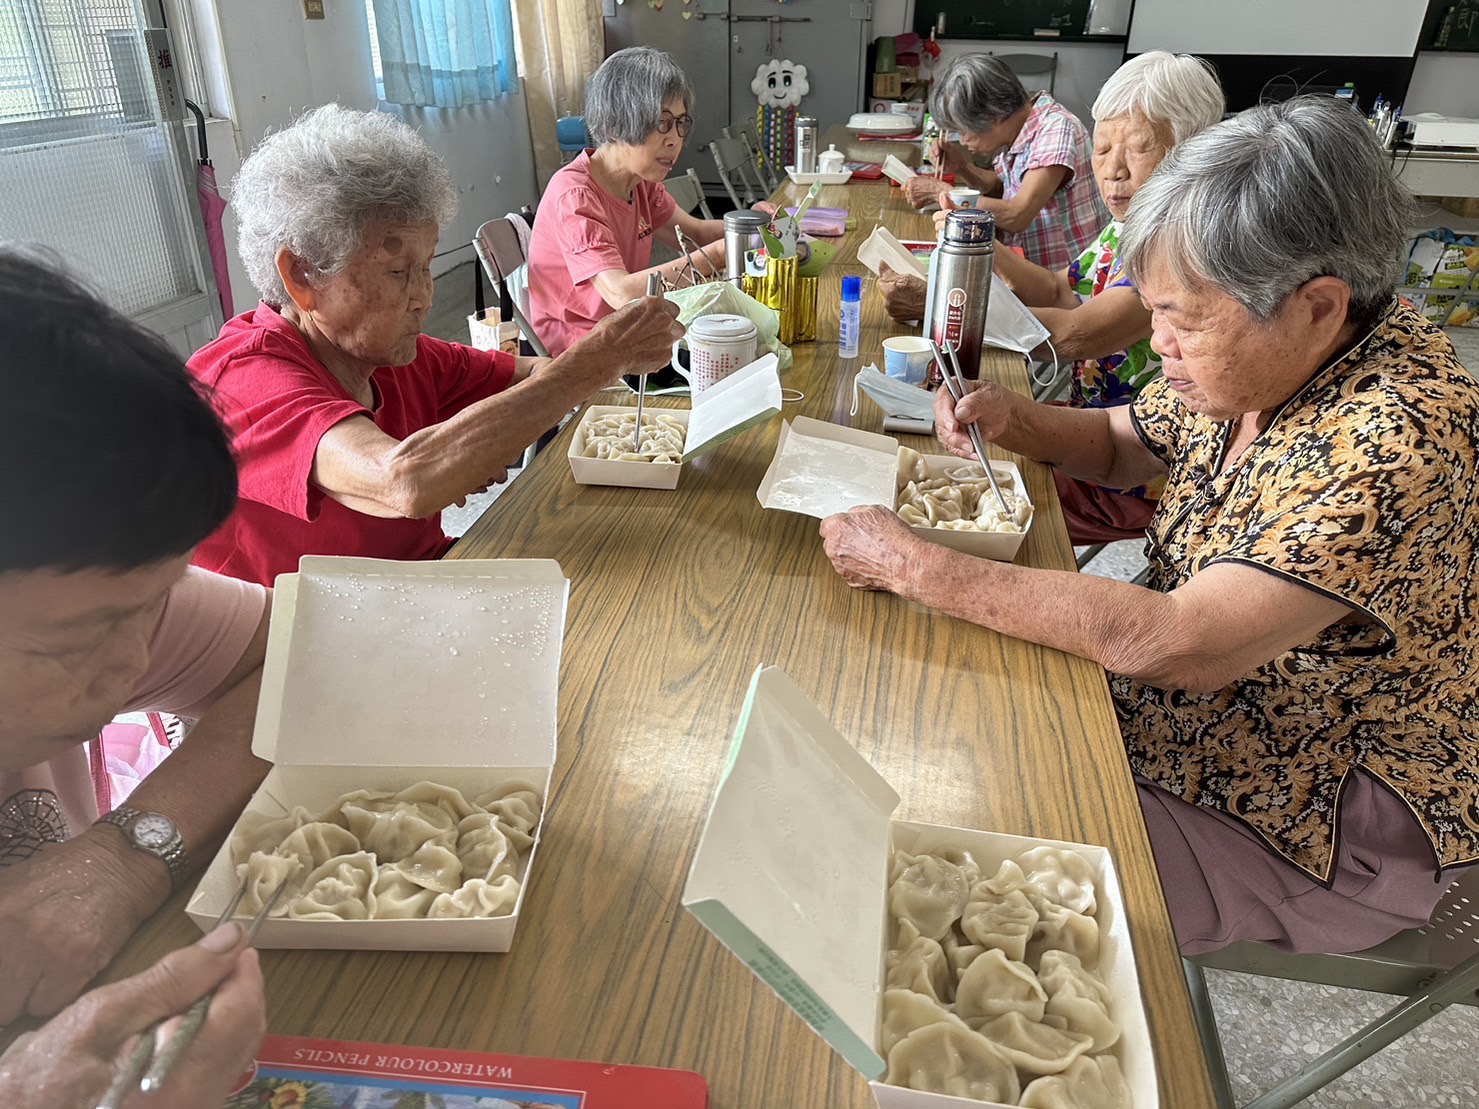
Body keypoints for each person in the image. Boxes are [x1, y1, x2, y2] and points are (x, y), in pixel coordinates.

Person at [820, 97, 1479, 956]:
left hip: (1317, 797)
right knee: (944, 727)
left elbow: (1180, 645)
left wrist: (918, 566)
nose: (1157, 341)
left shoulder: (1400, 435)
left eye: (1181, 319)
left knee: (963, 885)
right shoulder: (1264, 353)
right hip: (1194, 708)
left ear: (1318, 306)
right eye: (1155, 310)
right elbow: (1126, 441)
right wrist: (1013, 420)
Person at [189, 103, 683, 587]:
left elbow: (535, 374)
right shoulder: (242, 379)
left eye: (426, 268)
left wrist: (475, 447)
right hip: (300, 642)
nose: (424, 296)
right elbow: (402, 481)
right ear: (302, 276)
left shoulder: (392, 355)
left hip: (417, 591)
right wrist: (601, 359)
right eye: (399, 273)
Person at [0, 248, 268, 1104]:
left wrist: (123, 855)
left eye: (147, 609)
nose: (127, 670)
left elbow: (305, 654)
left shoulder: (72, 575)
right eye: (77, 639)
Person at [882, 52, 1225, 543]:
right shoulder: (1128, 227)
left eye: (1140, 148)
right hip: (1084, 431)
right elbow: (1061, 288)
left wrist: (946, 305)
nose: (1114, 172)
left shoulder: (1183, 247)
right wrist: (980, 245)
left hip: (1129, 476)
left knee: (947, 502)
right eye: (1103, 149)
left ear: (1192, 151)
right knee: (934, 476)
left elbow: (1074, 334)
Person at [527, 47, 738, 356]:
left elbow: (697, 235)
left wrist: (749, 228)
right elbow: (621, 292)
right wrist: (719, 254)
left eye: (681, 123)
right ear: (614, 125)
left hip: (625, 330)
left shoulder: (641, 183)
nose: (674, 139)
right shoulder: (575, 195)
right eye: (661, 122)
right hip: (578, 352)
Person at [902, 55, 1109, 272]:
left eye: (964, 131)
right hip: (1028, 264)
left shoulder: (1055, 129)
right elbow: (1001, 188)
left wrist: (944, 195)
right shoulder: (1022, 127)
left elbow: (1017, 214)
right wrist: (962, 167)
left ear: (995, 115)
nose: (963, 140)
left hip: (1065, 277)